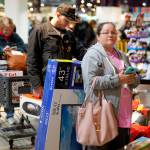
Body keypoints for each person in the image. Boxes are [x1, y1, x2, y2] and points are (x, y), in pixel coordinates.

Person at [81, 22, 140, 150]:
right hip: (102, 114)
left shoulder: (122, 55)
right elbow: (91, 83)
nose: (110, 35)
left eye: (113, 32)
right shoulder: (92, 55)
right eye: (106, 32)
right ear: (98, 36)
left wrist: (132, 78)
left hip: (123, 114)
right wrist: (117, 79)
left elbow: (135, 80)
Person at [27, 3, 85, 99]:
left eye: (70, 21)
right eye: (66, 20)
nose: (68, 24)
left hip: (64, 84)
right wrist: (36, 85)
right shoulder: (40, 31)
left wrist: (96, 54)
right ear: (57, 14)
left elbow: (80, 52)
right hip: (44, 84)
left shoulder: (69, 35)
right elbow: (32, 60)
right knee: (43, 113)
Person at [0, 16, 26, 125]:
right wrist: (2, 51)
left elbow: (23, 47)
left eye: (10, 30)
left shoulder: (15, 36)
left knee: (9, 91)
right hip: (1, 67)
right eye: (6, 30)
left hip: (11, 68)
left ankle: (10, 115)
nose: (8, 32)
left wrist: (15, 49)